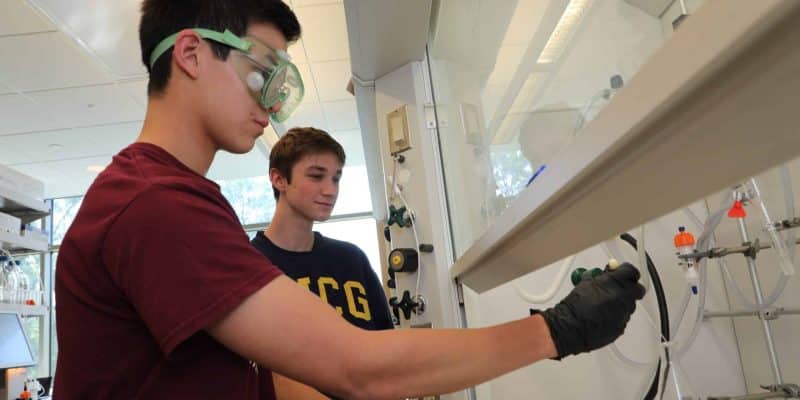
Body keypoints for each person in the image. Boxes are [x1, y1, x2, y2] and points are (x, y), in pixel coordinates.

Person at [54, 1, 646, 399]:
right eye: (263, 74)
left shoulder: (171, 198)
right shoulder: (155, 202)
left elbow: (265, 377)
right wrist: (556, 330)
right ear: (189, 54)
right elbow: (355, 366)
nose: (270, 107)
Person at [252, 127, 393, 399]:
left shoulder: (351, 260)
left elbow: (383, 349)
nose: (330, 190)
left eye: (336, 178)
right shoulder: (250, 265)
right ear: (278, 179)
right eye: (316, 176)